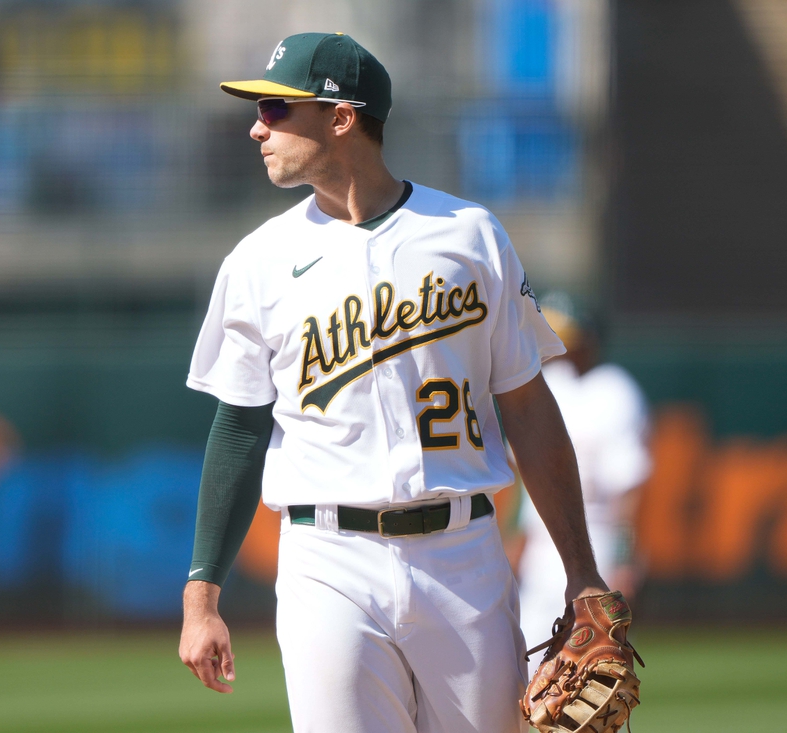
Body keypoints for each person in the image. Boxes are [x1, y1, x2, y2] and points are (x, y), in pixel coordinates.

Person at [178, 32, 612, 733]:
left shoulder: (470, 235)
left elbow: (528, 405)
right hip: (328, 558)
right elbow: (239, 427)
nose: (257, 125)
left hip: (462, 552)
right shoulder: (257, 261)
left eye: (276, 108)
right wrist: (202, 596)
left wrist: (582, 572)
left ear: (341, 116)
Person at [513, 293, 652, 678]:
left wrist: (625, 557)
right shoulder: (548, 384)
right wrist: (517, 542)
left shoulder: (614, 391)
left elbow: (629, 486)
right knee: (524, 674)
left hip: (597, 543)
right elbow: (526, 480)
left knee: (587, 673)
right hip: (541, 547)